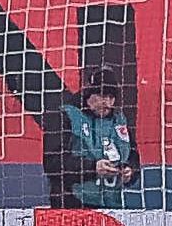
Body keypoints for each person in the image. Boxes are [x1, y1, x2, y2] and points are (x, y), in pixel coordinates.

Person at [42, 75, 134, 208]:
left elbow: (133, 155)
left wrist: (130, 171)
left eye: (111, 97)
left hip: (112, 205)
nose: (107, 103)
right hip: (71, 204)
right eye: (102, 96)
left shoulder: (119, 121)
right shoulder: (65, 116)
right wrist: (92, 168)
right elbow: (52, 163)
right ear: (89, 94)